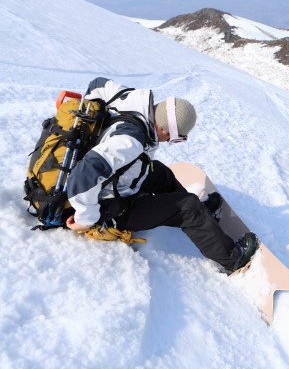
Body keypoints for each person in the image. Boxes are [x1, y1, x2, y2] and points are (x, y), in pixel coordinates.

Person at [65, 77, 258, 274]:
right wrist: (86, 218)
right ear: (164, 128)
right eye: (176, 137)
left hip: (115, 183)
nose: (171, 141)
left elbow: (98, 84)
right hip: (110, 209)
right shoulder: (129, 142)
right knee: (188, 207)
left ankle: (202, 217)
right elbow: (84, 176)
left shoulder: (131, 102)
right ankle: (232, 259)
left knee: (158, 171)